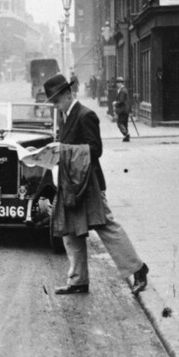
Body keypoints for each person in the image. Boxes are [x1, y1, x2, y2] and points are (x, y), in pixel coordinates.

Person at [43, 72, 149, 296]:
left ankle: (138, 269)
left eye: (57, 100)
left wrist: (65, 150)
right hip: (71, 183)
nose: (55, 105)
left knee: (105, 226)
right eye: (53, 102)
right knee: (70, 230)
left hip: (89, 184)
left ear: (69, 94)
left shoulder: (86, 115)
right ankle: (78, 280)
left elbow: (95, 150)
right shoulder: (64, 116)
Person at [113, 77, 131, 142]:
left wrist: (115, 103)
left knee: (119, 123)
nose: (117, 84)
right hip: (126, 110)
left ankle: (126, 134)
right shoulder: (124, 90)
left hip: (122, 110)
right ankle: (126, 137)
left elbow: (122, 101)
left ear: (121, 83)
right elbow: (128, 101)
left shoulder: (122, 91)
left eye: (118, 83)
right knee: (125, 123)